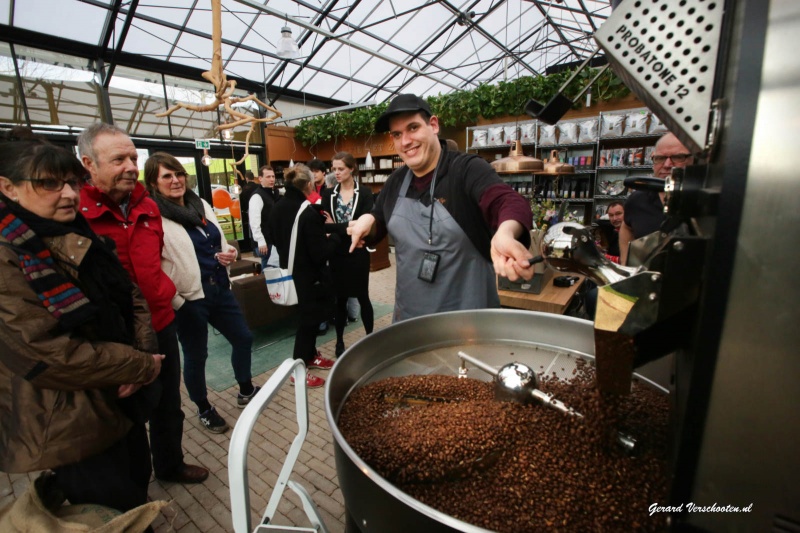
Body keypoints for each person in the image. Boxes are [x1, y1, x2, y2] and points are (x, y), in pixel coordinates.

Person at [0, 131, 163, 512]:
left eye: (72, 183)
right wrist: (138, 365)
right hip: (73, 419)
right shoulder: (11, 255)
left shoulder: (74, 233)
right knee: (106, 506)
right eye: (49, 184)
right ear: (7, 187)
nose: (70, 194)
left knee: (135, 483)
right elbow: (46, 353)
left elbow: (128, 294)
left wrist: (140, 356)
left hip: (118, 395)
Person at [78, 123, 208, 483]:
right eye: (118, 159)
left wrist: (168, 294)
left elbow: (158, 259)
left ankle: (170, 465)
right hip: (115, 336)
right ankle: (133, 485)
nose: (131, 166)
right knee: (124, 413)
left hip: (161, 321)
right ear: (89, 163)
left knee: (169, 404)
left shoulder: (148, 205)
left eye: (133, 157)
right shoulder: (76, 212)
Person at [347, 94, 535, 321]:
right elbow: (381, 217)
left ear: (433, 125)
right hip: (409, 318)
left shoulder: (466, 170)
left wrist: (505, 233)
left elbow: (508, 200)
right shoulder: (396, 181)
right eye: (397, 134)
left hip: (468, 324)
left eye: (413, 128)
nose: (405, 141)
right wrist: (370, 220)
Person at [144, 152, 260, 434]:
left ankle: (245, 389)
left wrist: (230, 253)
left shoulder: (201, 205)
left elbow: (219, 241)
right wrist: (178, 301)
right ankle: (204, 408)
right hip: (189, 299)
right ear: (153, 183)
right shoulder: (154, 216)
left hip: (220, 287)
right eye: (167, 176)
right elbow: (154, 266)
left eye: (179, 174)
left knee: (243, 337)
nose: (175, 180)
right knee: (197, 356)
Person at [267, 164, 340, 388]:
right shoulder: (307, 212)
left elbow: (273, 237)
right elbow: (320, 253)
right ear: (309, 184)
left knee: (308, 319)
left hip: (290, 272)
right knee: (308, 323)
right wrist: (335, 234)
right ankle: (298, 369)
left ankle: (309, 356)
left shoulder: (278, 207)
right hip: (308, 277)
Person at [321, 152, 374, 356]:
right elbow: (325, 228)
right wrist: (350, 227)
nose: (337, 173)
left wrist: (337, 227)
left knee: (363, 296)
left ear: (352, 168)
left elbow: (367, 225)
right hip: (336, 254)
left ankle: (370, 337)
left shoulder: (366, 192)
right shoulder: (328, 194)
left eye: (341, 168)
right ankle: (339, 341)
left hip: (359, 252)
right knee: (340, 299)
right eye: (334, 169)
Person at [618, 132, 694, 265]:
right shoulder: (637, 200)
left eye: (678, 157)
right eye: (660, 158)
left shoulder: (705, 202)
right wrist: (626, 263)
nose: (667, 164)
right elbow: (626, 227)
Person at [249, 165, 281, 272]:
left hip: (274, 239)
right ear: (260, 178)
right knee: (269, 271)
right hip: (265, 242)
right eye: (268, 177)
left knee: (274, 269)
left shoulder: (273, 193)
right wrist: (261, 241)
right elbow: (254, 222)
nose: (272, 179)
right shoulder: (257, 196)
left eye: (273, 176)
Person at [239, 169, 259, 246]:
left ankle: (254, 246)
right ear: (253, 177)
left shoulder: (244, 189)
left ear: (247, 178)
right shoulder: (258, 187)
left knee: (252, 228)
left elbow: (242, 201)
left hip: (249, 210)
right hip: (260, 209)